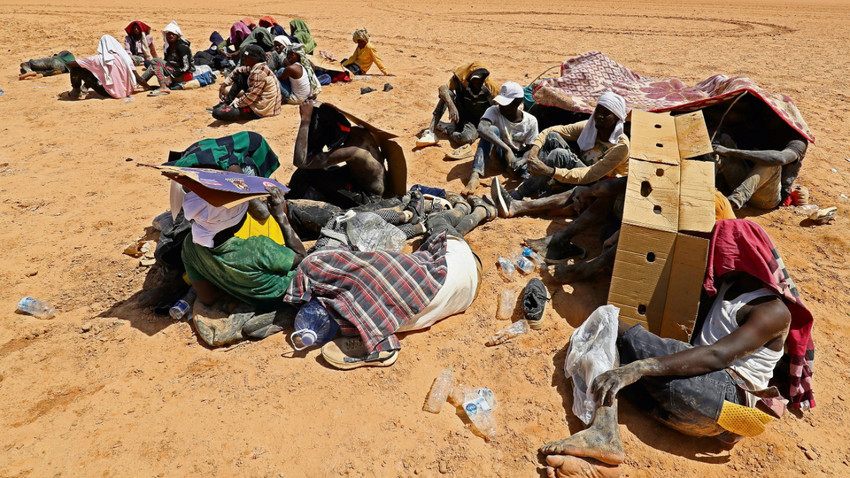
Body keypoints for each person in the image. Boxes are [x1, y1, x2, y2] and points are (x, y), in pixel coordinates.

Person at [539, 219, 814, 478]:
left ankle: (607, 434)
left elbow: (716, 356)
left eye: (718, 250)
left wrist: (641, 366)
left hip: (722, 393)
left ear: (740, 257)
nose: (711, 256)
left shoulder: (772, 311)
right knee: (608, 349)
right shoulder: (727, 284)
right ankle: (603, 439)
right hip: (682, 397)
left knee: (615, 328)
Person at [284, 193, 496, 369]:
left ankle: (478, 211)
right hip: (457, 262)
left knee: (440, 229)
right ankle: (474, 208)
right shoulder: (371, 266)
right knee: (438, 222)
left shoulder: (363, 321)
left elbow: (384, 345)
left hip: (465, 291)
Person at [181, 185, 307, 312]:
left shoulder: (189, 245)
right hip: (285, 296)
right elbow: (301, 257)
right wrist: (280, 215)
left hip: (253, 301)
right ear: (233, 220)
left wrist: (232, 285)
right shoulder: (257, 248)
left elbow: (208, 298)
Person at [505, 91, 630, 201]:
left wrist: (549, 171)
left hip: (597, 183)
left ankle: (521, 192)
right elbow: (550, 131)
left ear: (617, 118)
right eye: (598, 111)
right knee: (553, 137)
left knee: (559, 155)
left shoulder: (621, 146)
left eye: (606, 114)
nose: (599, 116)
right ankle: (538, 184)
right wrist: (533, 152)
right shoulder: (590, 126)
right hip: (579, 169)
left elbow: (590, 174)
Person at [709, 96, 808, 209]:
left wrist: (730, 152)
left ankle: (734, 201)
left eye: (773, 114)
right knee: (723, 141)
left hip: (766, 198)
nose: (768, 116)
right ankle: (710, 192)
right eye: (767, 112)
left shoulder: (797, 140)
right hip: (740, 181)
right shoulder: (757, 124)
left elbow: (781, 158)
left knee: (772, 163)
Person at [285, 101, 388, 208]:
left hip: (368, 198)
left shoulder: (351, 151)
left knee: (306, 172)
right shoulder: (357, 132)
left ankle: (290, 203)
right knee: (326, 168)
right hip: (361, 180)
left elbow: (300, 162)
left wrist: (305, 120)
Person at [464, 81, 539, 194]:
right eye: (500, 102)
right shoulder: (494, 110)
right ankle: (475, 175)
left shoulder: (531, 121)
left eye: (506, 103)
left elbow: (531, 148)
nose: (501, 106)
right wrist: (506, 149)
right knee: (491, 130)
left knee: (530, 169)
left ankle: (521, 188)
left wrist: (522, 160)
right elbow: (482, 128)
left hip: (518, 157)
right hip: (500, 151)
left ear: (517, 102)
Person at [419, 61, 498, 147]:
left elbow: (501, 105)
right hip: (463, 116)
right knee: (447, 94)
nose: (477, 84)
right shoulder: (460, 80)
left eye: (480, 81)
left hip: (480, 122)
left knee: (465, 139)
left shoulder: (490, 87)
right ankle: (430, 132)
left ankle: (450, 129)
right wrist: (451, 106)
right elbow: (443, 88)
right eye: (474, 81)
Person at [212, 45, 282, 122]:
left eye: (246, 57)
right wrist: (224, 85)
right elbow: (238, 70)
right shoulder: (257, 67)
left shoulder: (259, 73)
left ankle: (228, 106)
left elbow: (250, 97)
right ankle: (226, 103)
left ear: (255, 59)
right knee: (240, 76)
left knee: (217, 113)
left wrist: (235, 105)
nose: (243, 59)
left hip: (262, 110)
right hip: (261, 104)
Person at [60, 35, 135, 100]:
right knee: (90, 67)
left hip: (110, 93)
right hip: (126, 91)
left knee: (76, 68)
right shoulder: (122, 58)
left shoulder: (98, 59)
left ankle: (75, 90)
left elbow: (70, 64)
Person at [138, 21, 193, 90]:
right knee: (153, 64)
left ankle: (163, 86)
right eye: (168, 34)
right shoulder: (168, 47)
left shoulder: (182, 47)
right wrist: (156, 70)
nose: (170, 36)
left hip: (184, 75)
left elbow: (186, 67)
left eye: (173, 34)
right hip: (173, 70)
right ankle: (141, 82)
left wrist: (171, 76)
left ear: (177, 35)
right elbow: (166, 62)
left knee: (156, 61)